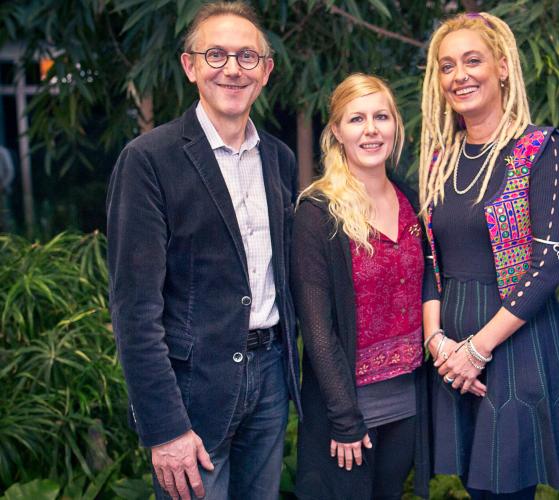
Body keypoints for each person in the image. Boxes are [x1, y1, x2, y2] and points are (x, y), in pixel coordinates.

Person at [106, 3, 300, 499]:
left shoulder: (278, 158)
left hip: (270, 379)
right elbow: (134, 309)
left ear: (265, 71)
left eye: (246, 57)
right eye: (216, 55)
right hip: (191, 391)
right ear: (190, 66)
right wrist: (165, 428)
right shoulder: (149, 160)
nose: (232, 69)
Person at [419, 12, 559, 498]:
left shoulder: (542, 149)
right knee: (474, 487)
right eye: (447, 66)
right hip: (450, 347)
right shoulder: (439, 159)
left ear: (503, 66)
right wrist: (438, 345)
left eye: (473, 60)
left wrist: (477, 350)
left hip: (514, 343)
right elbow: (431, 263)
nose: (459, 75)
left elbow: (549, 266)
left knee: (505, 490)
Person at [290, 73, 431, 500]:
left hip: (406, 405)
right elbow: (317, 331)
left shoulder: (412, 202)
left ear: (395, 126)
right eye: (356, 119)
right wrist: (345, 419)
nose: (371, 129)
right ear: (337, 131)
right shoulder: (318, 213)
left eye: (381, 117)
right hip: (347, 416)